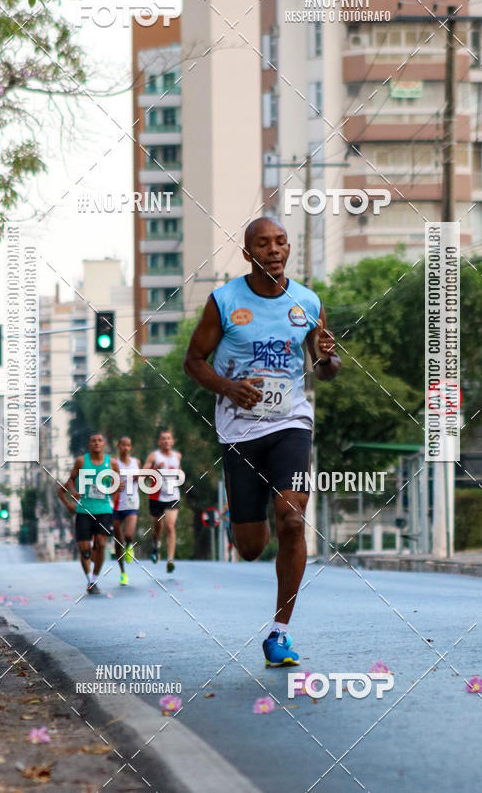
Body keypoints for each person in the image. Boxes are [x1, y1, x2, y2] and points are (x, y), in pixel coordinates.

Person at [184, 217, 340, 667]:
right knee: (251, 546)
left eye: (280, 242)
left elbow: (325, 369)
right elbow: (193, 360)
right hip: (239, 429)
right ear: (249, 253)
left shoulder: (307, 302)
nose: (274, 250)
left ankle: (280, 632)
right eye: (263, 244)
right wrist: (228, 387)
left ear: (288, 249)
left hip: (290, 420)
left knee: (292, 519)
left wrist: (328, 358)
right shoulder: (225, 302)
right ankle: (245, 508)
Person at [58, 433, 121, 595]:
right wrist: (73, 493)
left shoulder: (112, 463)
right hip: (84, 510)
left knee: (101, 544)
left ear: (104, 443)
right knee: (84, 549)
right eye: (93, 440)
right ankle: (88, 576)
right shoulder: (81, 462)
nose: (96, 443)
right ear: (89, 444)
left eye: (99, 440)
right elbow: (70, 480)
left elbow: (117, 483)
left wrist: (112, 500)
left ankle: (93, 581)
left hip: (104, 510)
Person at [144, 430, 182, 573]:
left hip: (172, 495)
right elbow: (144, 473)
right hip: (157, 496)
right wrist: (154, 468)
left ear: (172, 441)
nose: (166, 441)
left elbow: (179, 472)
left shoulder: (177, 456)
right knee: (157, 527)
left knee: (170, 526)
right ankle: (156, 545)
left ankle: (170, 560)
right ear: (159, 442)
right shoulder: (154, 456)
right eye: (163, 439)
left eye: (168, 439)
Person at [113, 436, 141, 586]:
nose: (125, 448)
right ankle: (123, 572)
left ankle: (129, 546)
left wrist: (138, 476)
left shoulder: (136, 462)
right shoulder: (113, 463)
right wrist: (115, 486)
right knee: (118, 540)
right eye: (123, 445)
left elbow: (142, 478)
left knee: (129, 534)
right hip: (116, 504)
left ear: (131, 447)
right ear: (118, 446)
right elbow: (106, 481)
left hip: (131, 503)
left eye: (128, 445)